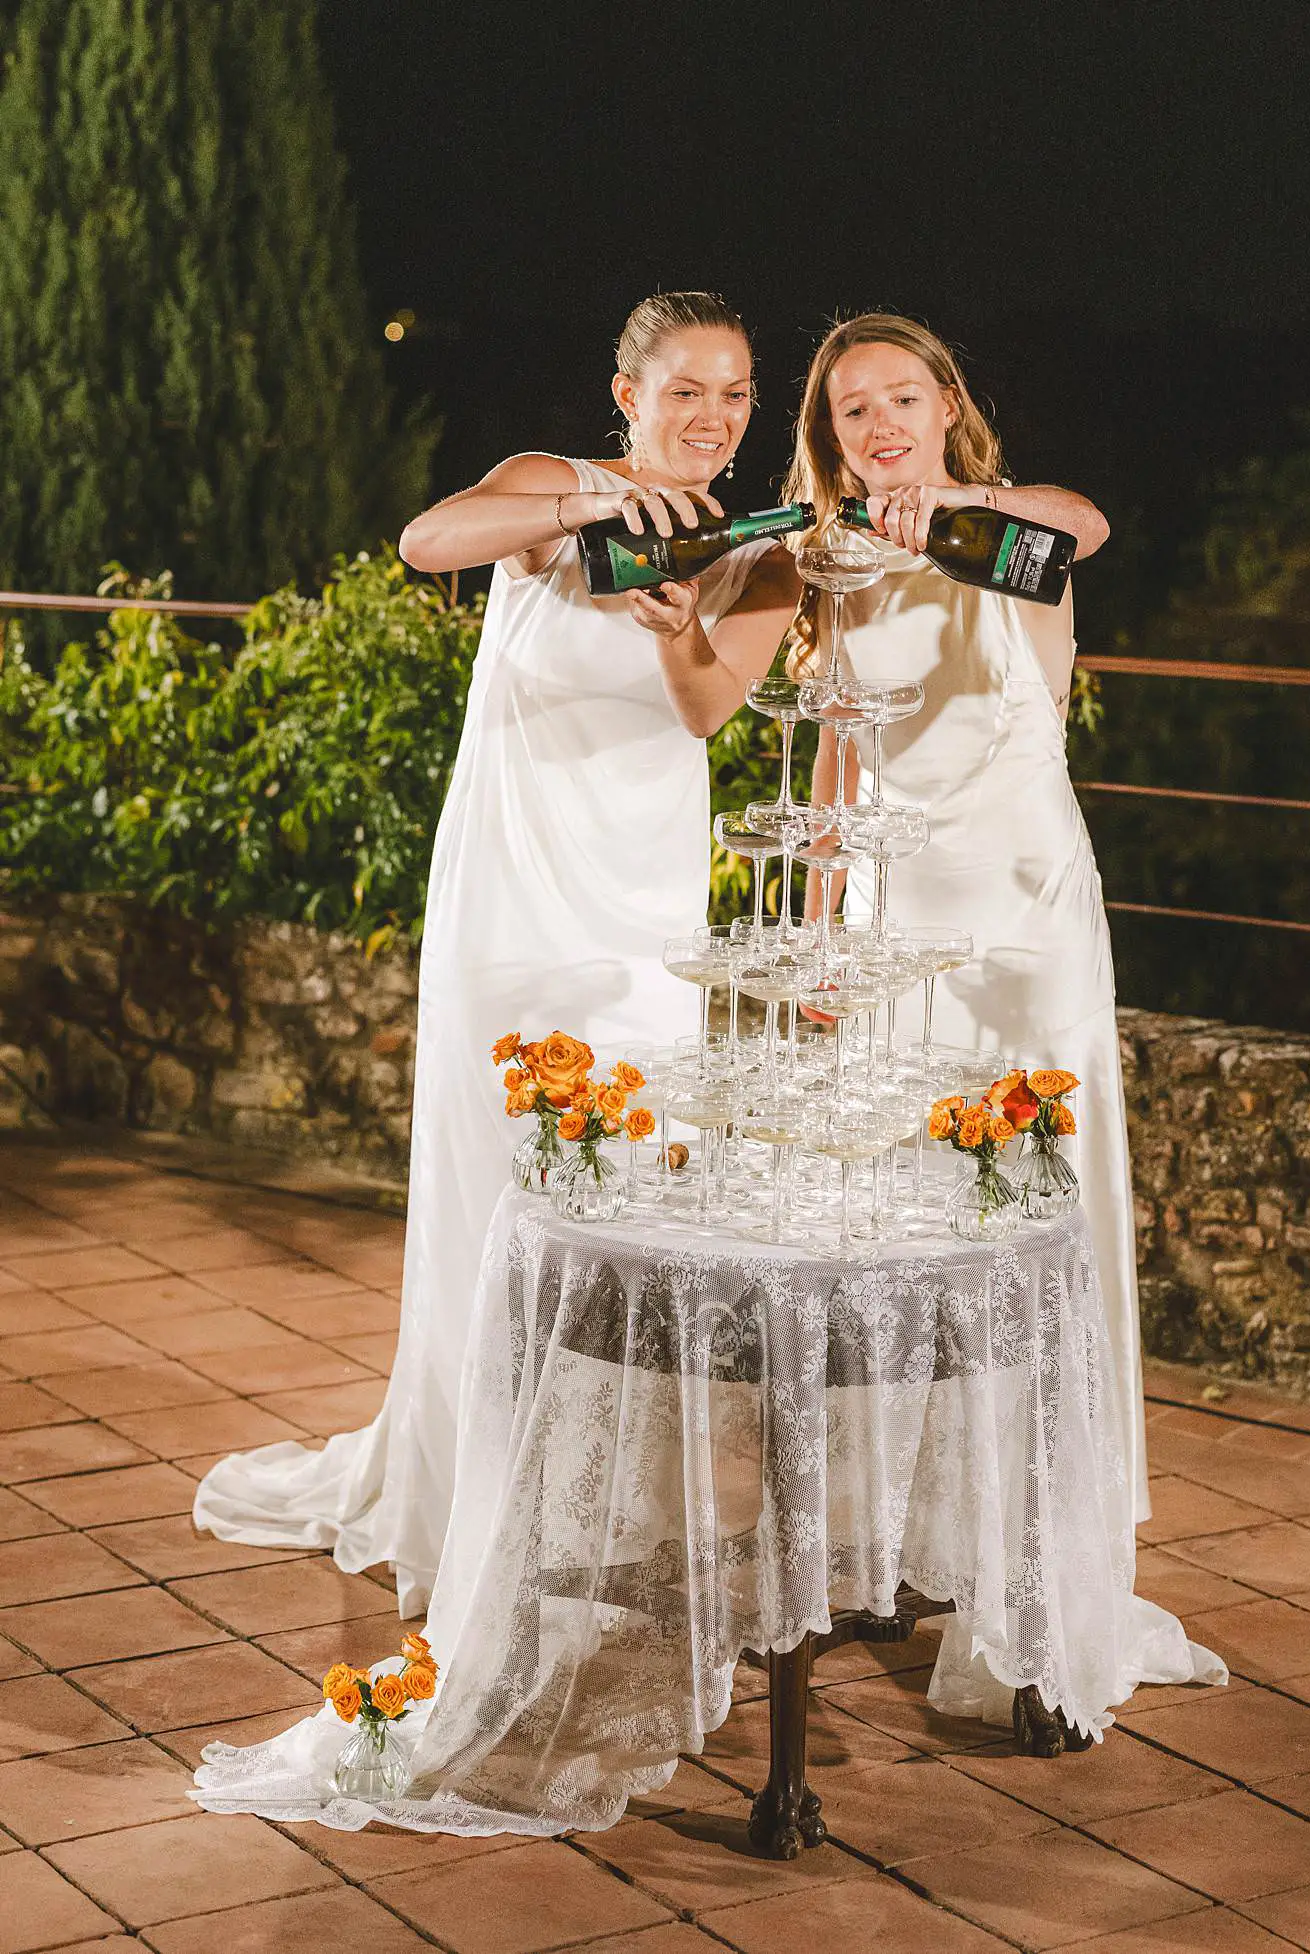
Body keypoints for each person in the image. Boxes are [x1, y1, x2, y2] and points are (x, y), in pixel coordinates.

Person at [192, 292, 800, 1610]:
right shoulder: (555, 491)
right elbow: (427, 539)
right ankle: (476, 1487)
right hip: (518, 891)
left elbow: (704, 709)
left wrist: (684, 613)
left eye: (737, 393)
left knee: (632, 1197)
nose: (711, 415)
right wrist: (587, 514)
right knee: (501, 1177)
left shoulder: (760, 550)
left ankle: (606, 1500)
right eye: (684, 388)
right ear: (628, 394)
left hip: (641, 911)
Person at [663, 311, 1147, 1522]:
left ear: (947, 406)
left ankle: (1049, 1530)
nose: (881, 426)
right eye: (852, 410)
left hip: (1022, 912)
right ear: (830, 438)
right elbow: (834, 772)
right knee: (904, 1212)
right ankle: (917, 1522)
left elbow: (1084, 521)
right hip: (891, 925)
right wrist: (821, 926)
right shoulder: (836, 570)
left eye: (902, 400)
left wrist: (955, 520)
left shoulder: (1013, 530)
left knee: (1037, 1194)